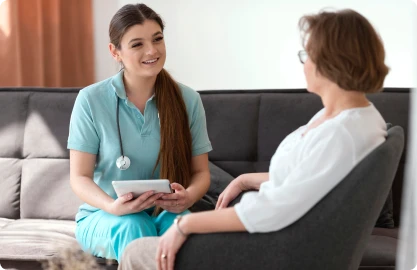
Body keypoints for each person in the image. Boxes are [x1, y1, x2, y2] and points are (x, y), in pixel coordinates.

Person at [118, 8, 390, 270]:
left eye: (307, 54)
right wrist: (245, 179)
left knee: (137, 252)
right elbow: (310, 178)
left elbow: (273, 210)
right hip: (272, 232)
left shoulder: (341, 133)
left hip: (272, 246)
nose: (304, 63)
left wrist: (184, 226)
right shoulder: (350, 118)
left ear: (332, 62)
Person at [67, 3, 212, 262]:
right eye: (137, 44)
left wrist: (187, 197)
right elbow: (79, 177)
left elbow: (201, 173)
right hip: (106, 216)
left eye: (158, 39)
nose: (152, 51)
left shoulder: (187, 100)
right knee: (133, 226)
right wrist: (113, 206)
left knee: (185, 229)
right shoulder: (90, 100)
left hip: (163, 212)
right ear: (115, 52)